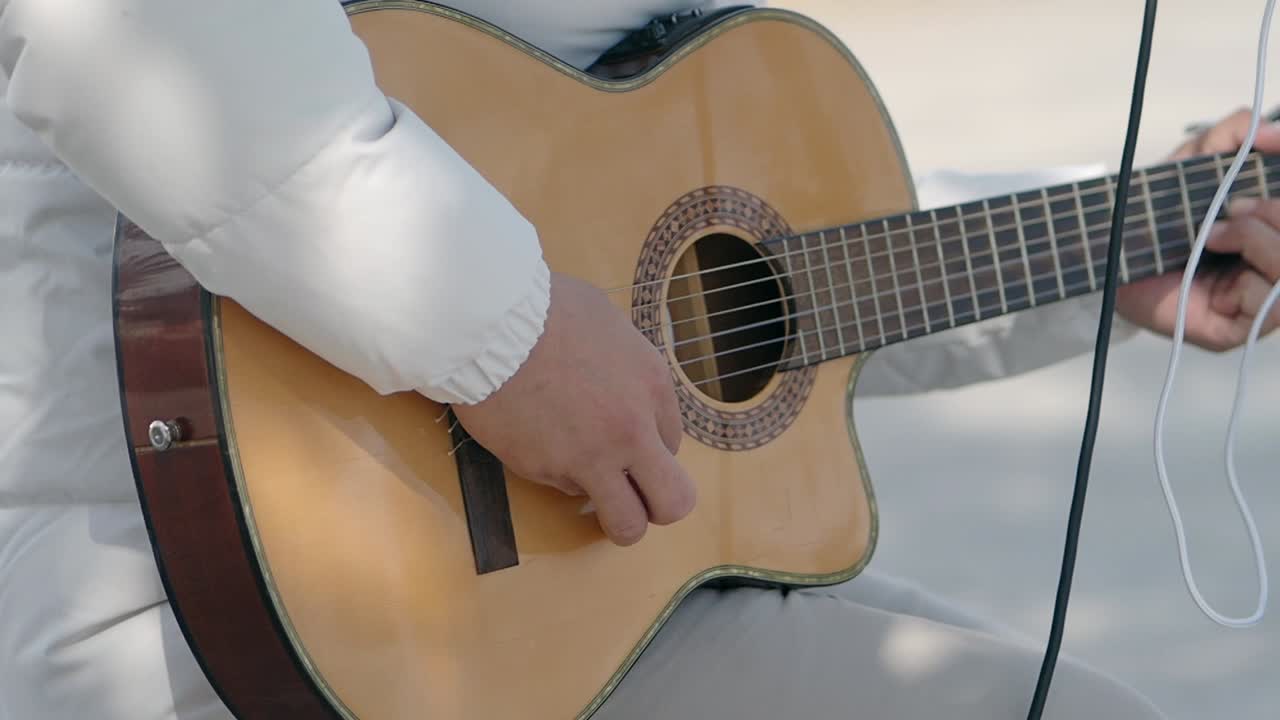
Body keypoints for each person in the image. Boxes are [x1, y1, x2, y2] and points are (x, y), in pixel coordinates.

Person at [1, 1, 1277, 718]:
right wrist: (500, 343)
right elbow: (124, 28)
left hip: (556, 611)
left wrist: (1105, 245)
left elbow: (680, 280)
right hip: (230, 617)